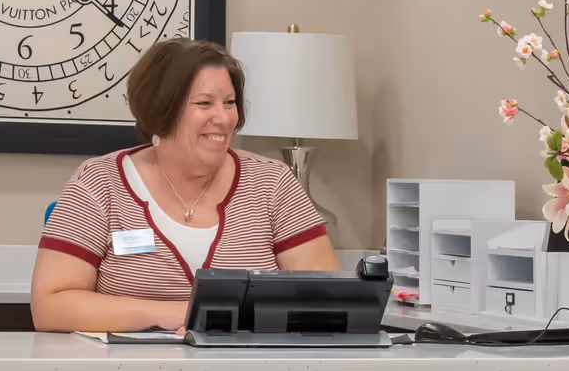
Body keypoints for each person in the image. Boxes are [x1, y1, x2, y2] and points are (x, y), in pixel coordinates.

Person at [32, 38, 339, 333]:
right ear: (161, 111)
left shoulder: (272, 183)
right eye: (204, 103)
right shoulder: (99, 182)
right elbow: (50, 305)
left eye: (229, 102)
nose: (224, 117)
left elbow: (329, 300)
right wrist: (175, 313)